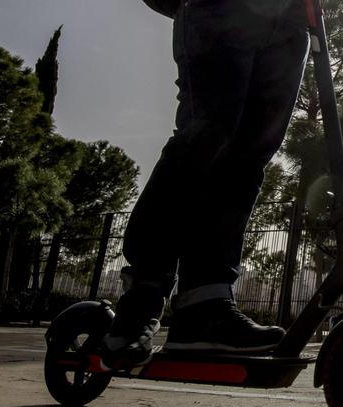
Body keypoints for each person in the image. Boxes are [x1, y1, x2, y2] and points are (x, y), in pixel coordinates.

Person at [103, 0, 310, 367]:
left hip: (290, 21)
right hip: (219, 8)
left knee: (247, 159)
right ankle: (144, 292)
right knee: (207, 136)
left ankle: (205, 306)